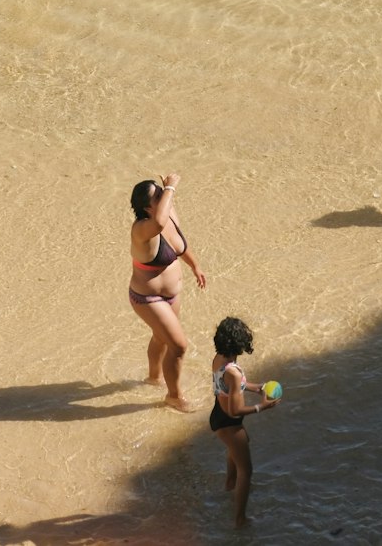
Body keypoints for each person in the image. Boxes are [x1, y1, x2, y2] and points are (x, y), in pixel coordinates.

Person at [128, 174, 207, 414]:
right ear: (147, 208)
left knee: (161, 338)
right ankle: (174, 397)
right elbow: (160, 225)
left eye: (164, 194)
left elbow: (181, 244)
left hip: (171, 294)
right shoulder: (142, 229)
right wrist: (171, 186)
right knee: (179, 346)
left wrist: (195, 266)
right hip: (147, 298)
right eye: (159, 196)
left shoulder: (168, 214)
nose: (165, 198)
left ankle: (153, 378)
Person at [210, 316, 280, 529]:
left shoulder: (219, 359)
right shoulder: (233, 370)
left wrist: (257, 387)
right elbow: (235, 410)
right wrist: (263, 407)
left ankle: (230, 483)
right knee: (247, 471)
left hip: (218, 416)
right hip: (229, 422)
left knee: (240, 445)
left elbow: (232, 386)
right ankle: (240, 520)